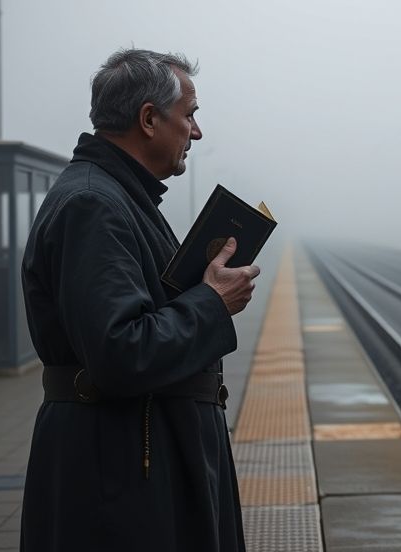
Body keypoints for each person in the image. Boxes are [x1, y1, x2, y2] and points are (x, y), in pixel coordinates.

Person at [20, 49, 259, 551]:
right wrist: (213, 302)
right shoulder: (93, 205)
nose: (196, 133)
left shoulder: (116, 197)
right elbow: (121, 350)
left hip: (133, 452)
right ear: (149, 119)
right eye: (190, 115)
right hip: (123, 469)